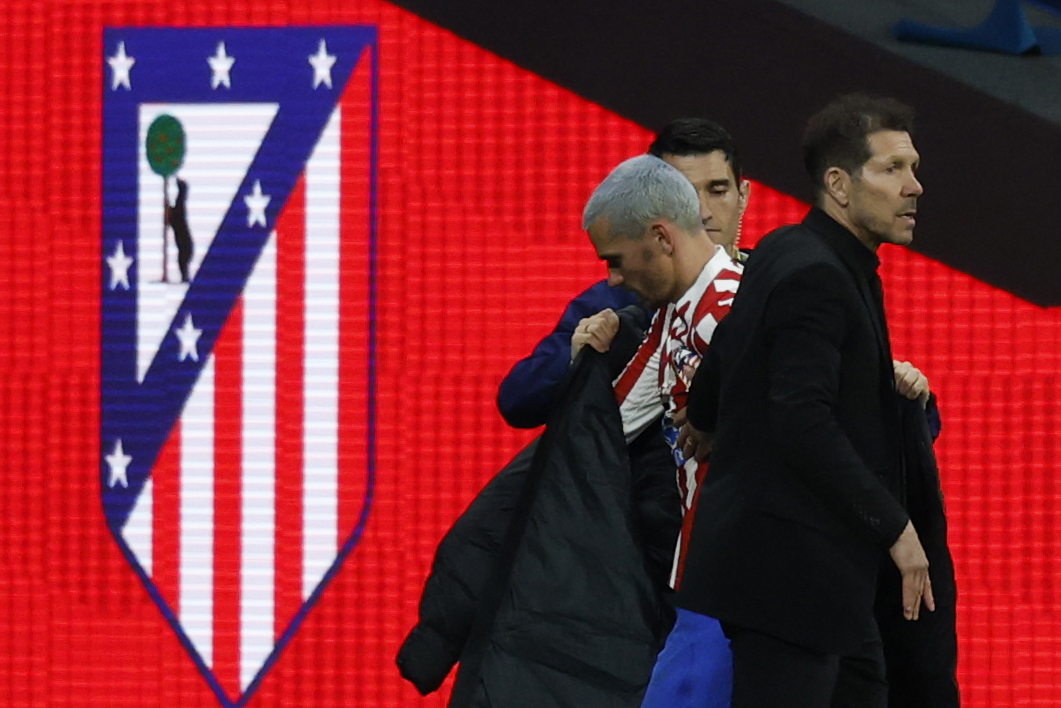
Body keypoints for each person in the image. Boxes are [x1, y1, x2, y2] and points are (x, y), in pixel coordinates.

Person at [674, 94, 934, 708]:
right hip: (790, 583)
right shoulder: (818, 275)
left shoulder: (785, 249)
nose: (915, 186)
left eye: (914, 167)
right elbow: (802, 420)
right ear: (839, 185)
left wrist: (709, 416)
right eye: (892, 169)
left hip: (820, 585)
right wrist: (897, 528)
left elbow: (730, 346)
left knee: (869, 684)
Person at [497, 118, 749, 429]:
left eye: (718, 190)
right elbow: (518, 401)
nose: (701, 211)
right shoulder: (611, 301)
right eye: (681, 193)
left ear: (743, 196)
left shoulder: (774, 285)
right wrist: (579, 354)